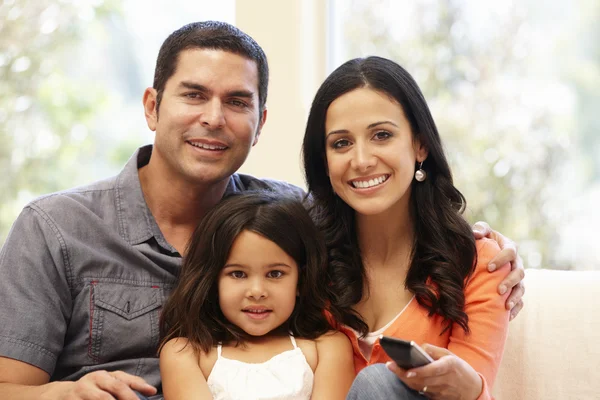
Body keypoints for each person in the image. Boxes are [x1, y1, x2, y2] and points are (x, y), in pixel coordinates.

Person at [0, 21, 523, 400]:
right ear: (152, 107)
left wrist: (487, 247)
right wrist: (63, 395)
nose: (213, 118)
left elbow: (384, 209)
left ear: (261, 121)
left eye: (237, 102)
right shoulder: (57, 230)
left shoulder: (291, 219)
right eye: (194, 95)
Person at [301, 55, 511, 399]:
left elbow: (476, 384)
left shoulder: (480, 264)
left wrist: (469, 386)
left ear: (420, 145)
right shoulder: (303, 261)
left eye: (382, 135)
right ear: (324, 162)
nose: (362, 160)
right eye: (341, 143)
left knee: (377, 382)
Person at [158, 191, 355, 400]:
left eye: (275, 274)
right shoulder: (185, 354)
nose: (257, 292)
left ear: (301, 280)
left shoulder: (328, 349)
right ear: (213, 280)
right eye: (238, 274)